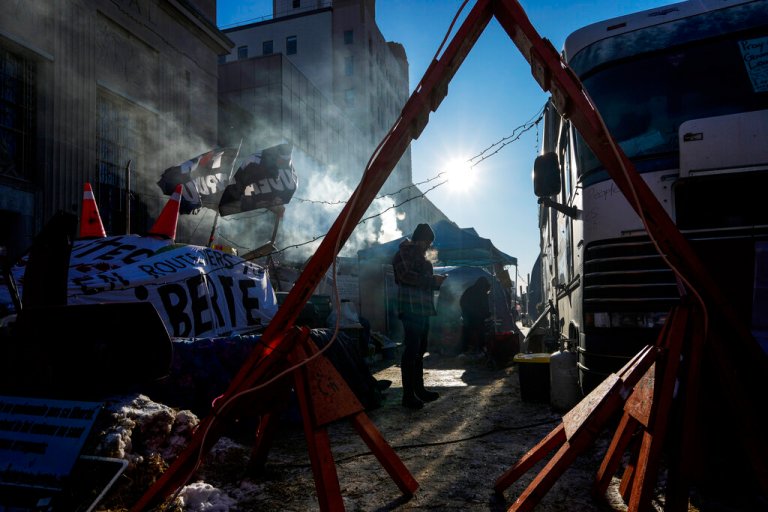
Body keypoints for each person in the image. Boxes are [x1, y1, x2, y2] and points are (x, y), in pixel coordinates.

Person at [392, 223, 447, 410]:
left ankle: (419, 390)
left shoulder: (422, 257)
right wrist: (432, 280)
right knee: (412, 350)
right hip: (410, 308)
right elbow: (406, 276)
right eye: (426, 242)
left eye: (429, 243)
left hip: (423, 308)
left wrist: (436, 282)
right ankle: (408, 396)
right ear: (419, 239)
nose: (428, 246)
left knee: (420, 349)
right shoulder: (404, 252)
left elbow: (423, 283)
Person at [459, 277, 492, 354]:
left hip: (467, 317)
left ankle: (464, 351)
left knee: (466, 334)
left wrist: (465, 312)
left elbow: (461, 302)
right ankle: (480, 350)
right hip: (477, 318)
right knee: (480, 334)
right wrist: (487, 314)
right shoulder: (483, 293)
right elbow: (485, 307)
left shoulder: (469, 290)